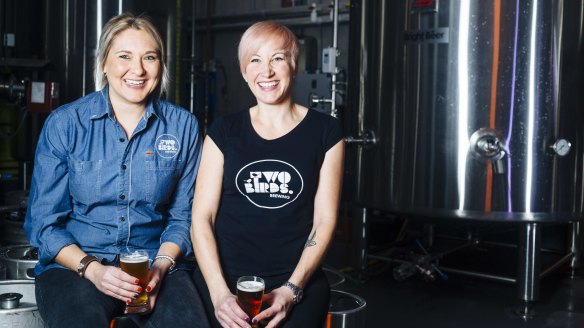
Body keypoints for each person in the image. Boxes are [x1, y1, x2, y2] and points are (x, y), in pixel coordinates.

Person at [24, 12, 209, 328]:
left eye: (149, 57)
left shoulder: (183, 126)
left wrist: (160, 270)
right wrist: (94, 270)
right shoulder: (66, 124)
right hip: (76, 265)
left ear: (160, 65)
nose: (137, 69)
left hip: (155, 260)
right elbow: (44, 224)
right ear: (104, 62)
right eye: (125, 56)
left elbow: (182, 217)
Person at [191, 21, 345, 328]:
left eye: (277, 58)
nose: (267, 71)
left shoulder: (326, 131)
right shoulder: (224, 130)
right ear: (244, 71)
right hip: (224, 278)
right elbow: (201, 218)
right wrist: (219, 293)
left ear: (293, 65)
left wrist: (292, 289)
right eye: (255, 60)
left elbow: (325, 220)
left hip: (295, 280)